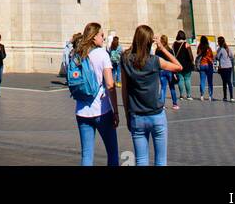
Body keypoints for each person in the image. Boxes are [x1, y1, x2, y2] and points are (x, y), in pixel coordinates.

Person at [119, 25, 182, 167]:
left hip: (137, 116)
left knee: (141, 161)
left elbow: (124, 90)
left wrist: (127, 114)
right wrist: (163, 48)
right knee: (161, 161)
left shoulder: (126, 60)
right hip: (156, 116)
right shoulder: (155, 61)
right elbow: (178, 66)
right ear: (150, 42)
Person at [70, 22, 119, 167]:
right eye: (101, 35)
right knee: (112, 153)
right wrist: (116, 111)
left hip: (81, 111)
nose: (103, 38)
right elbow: (110, 85)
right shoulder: (102, 54)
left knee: (86, 155)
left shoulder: (77, 54)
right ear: (93, 37)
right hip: (101, 110)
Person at [158, 34, 180, 110]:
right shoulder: (170, 50)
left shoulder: (158, 50)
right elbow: (173, 61)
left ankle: (162, 104)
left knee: (163, 88)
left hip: (161, 70)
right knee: (172, 87)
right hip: (170, 70)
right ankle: (175, 104)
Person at [172, 31, 194, 99]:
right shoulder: (186, 44)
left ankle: (181, 95)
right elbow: (190, 56)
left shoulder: (174, 44)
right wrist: (192, 61)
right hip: (187, 64)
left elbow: (173, 54)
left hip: (178, 64)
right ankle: (189, 95)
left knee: (180, 80)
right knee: (187, 79)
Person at [216, 36, 235, 101]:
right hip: (229, 66)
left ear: (219, 42)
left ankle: (225, 97)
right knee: (229, 81)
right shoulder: (227, 48)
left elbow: (217, 57)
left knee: (224, 82)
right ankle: (232, 97)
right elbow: (232, 56)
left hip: (223, 67)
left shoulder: (220, 49)